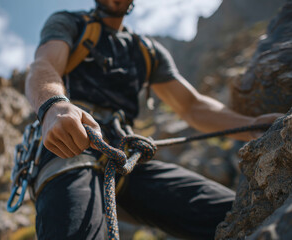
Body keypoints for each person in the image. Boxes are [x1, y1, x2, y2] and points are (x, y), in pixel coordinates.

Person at [24, 0, 281, 239]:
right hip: (68, 145)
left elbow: (191, 106)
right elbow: (44, 66)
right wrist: (54, 105)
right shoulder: (71, 23)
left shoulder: (146, 51)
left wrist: (253, 126)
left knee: (242, 213)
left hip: (124, 154)